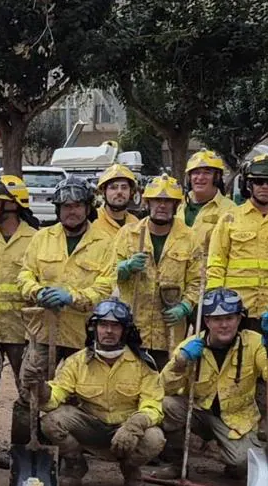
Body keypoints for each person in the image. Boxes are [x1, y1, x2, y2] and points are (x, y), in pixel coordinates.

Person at [20, 298, 165, 486]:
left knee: (154, 438)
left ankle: (130, 468)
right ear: (94, 329)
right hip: (90, 428)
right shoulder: (77, 362)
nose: (109, 331)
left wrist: (134, 425)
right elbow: (55, 396)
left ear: (125, 331)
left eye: (115, 326)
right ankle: (75, 464)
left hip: (127, 430)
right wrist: (40, 387)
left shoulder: (143, 365)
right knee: (51, 421)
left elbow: (153, 404)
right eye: (103, 325)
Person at [153, 288, 268, 479]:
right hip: (199, 411)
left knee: (244, 465)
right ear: (207, 321)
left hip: (236, 419)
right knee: (165, 405)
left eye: (229, 318)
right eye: (217, 320)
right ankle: (177, 464)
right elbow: (161, 388)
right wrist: (181, 363)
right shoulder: (191, 345)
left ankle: (221, 453)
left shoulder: (256, 343)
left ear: (239, 319)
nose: (224, 325)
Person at [207, 154, 268, 337]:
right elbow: (216, 262)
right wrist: (216, 303)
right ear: (249, 184)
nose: (264, 187)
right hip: (237, 309)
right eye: (259, 181)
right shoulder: (230, 218)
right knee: (238, 362)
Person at [112, 173, 203, 369]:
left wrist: (186, 307)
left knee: (166, 386)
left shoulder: (190, 238)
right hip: (134, 328)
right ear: (147, 203)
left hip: (169, 332)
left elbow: (198, 281)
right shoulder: (128, 234)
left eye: (168, 201)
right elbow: (108, 273)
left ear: (176, 205)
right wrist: (125, 268)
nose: (162, 205)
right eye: (157, 200)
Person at [19, 177, 116, 360]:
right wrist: (37, 292)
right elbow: (25, 275)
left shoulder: (104, 243)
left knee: (81, 387)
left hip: (83, 336)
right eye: (66, 206)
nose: (72, 211)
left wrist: (72, 298)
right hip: (43, 333)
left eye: (77, 206)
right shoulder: (42, 238)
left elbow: (105, 288)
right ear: (58, 210)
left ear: (88, 208)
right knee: (34, 384)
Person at [0, 175, 39, 454]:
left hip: (22, 328)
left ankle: (24, 444)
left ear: (13, 206)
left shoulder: (36, 240)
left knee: (27, 388)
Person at [177, 149, 235, 247]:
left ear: (217, 177)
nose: (200, 177)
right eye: (196, 173)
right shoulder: (179, 204)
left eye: (207, 173)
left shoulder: (230, 209)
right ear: (189, 177)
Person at [89, 163, 140, 239]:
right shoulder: (91, 222)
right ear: (103, 191)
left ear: (131, 191)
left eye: (124, 187)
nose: (119, 192)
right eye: (113, 187)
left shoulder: (135, 224)